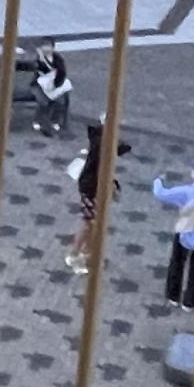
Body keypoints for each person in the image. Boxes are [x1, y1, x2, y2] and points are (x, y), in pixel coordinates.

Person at [66, 115, 133, 274]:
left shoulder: (100, 139)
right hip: (92, 188)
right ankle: (81, 256)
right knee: (92, 224)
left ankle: (78, 253)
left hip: (91, 186)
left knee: (90, 223)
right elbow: (109, 159)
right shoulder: (102, 143)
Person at [153, 158, 194, 311]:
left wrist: (158, 180)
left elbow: (161, 193)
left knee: (177, 264)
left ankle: (173, 296)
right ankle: (190, 302)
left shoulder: (186, 192)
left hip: (184, 232)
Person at [31, 41, 70, 136]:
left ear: (53, 48)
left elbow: (62, 73)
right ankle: (38, 120)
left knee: (60, 101)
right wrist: (41, 61)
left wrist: (56, 84)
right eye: (44, 46)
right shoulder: (38, 58)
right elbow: (37, 71)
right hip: (39, 85)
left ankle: (55, 121)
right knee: (43, 102)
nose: (46, 49)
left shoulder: (58, 59)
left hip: (55, 84)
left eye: (48, 46)